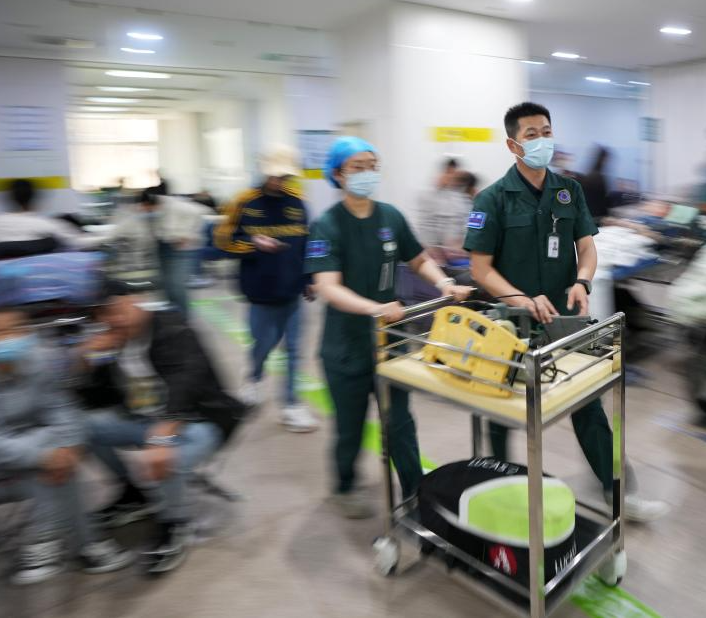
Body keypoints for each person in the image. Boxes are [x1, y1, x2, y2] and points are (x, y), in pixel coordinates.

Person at [464, 102, 668, 522]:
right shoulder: (493, 199)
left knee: (588, 404)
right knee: (501, 412)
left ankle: (619, 493)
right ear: (513, 145)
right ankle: (498, 493)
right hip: (511, 325)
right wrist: (520, 298)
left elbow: (587, 248)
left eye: (546, 131)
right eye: (531, 134)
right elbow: (480, 269)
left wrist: (582, 281)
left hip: (562, 320)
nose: (542, 140)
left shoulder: (568, 191)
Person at [306, 137, 471, 519]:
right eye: (357, 167)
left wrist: (444, 282)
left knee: (399, 421)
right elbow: (327, 287)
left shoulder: (390, 217)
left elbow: (418, 258)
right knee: (350, 426)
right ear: (338, 174)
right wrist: (375, 308)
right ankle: (344, 485)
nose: (367, 173)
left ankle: (414, 487)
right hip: (345, 346)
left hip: (390, 341)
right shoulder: (326, 226)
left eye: (372, 166)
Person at [0, 306, 133, 585]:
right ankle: (73, 544)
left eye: (14, 329)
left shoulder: (37, 364)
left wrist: (68, 447)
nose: (7, 338)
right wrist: (43, 455)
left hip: (34, 452)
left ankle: (55, 545)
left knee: (62, 463)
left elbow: (63, 409)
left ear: (27, 333)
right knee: (48, 472)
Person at [79, 291, 245, 575]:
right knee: (80, 428)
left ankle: (174, 522)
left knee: (170, 457)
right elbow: (96, 399)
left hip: (198, 421)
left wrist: (161, 436)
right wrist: (87, 361)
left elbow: (187, 384)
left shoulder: (173, 328)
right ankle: (133, 494)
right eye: (104, 314)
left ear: (137, 300)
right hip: (141, 419)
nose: (114, 318)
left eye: (118, 308)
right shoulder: (112, 340)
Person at [214, 145, 317, 432]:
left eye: (284, 176)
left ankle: (291, 405)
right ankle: (254, 378)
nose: (279, 181)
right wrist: (253, 244)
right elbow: (222, 242)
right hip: (260, 293)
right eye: (275, 175)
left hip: (293, 291)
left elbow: (308, 243)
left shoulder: (298, 202)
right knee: (263, 345)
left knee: (294, 350)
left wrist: (309, 277)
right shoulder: (244, 202)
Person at [112, 183, 210, 314]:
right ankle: (173, 315)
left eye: (147, 207)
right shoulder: (152, 209)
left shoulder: (178, 206)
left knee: (176, 284)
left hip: (184, 250)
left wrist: (188, 235)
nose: (145, 210)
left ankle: (183, 318)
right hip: (164, 246)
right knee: (165, 284)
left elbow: (201, 212)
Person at [0, 178, 104, 250]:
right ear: (34, 199)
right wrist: (106, 236)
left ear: (8, 198)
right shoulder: (46, 225)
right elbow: (80, 242)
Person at [417, 168, 476, 264]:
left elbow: (472, 234)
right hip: (448, 256)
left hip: (457, 258)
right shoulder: (458, 202)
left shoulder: (470, 206)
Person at [579, 146, 612, 226]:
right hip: (596, 219)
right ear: (603, 159)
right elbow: (603, 202)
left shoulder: (588, 174)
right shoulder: (598, 177)